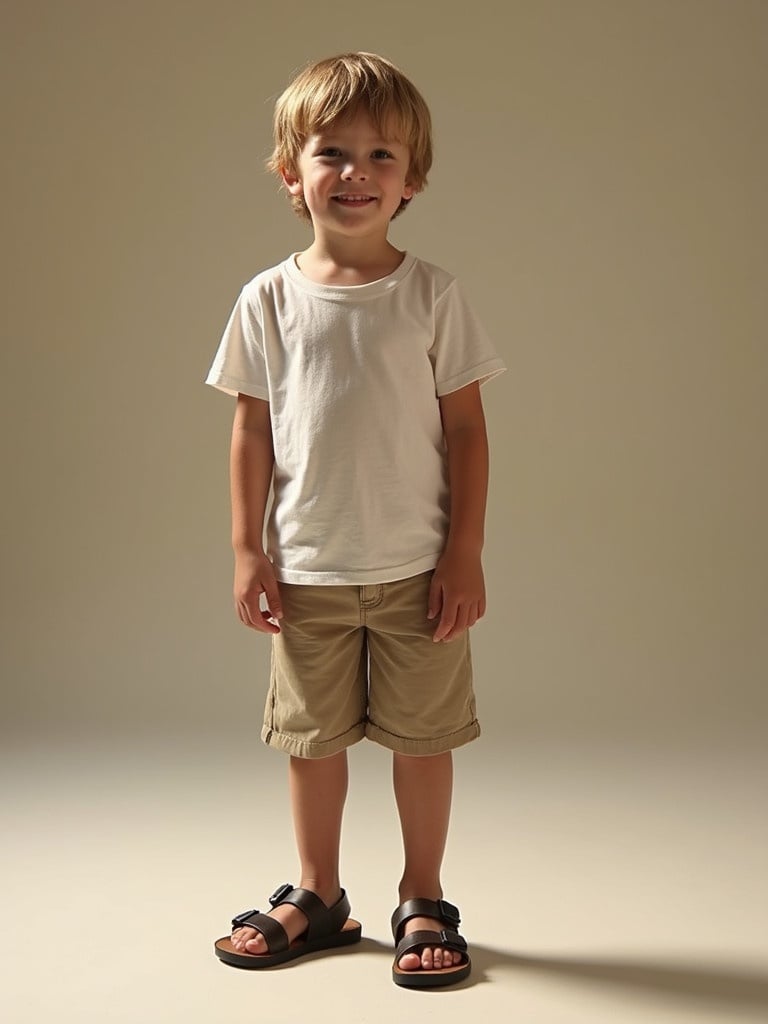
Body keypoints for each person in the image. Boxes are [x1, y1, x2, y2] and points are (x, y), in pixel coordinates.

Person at [205, 51, 505, 989]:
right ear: (291, 173)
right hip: (308, 570)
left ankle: (423, 893)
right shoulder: (269, 298)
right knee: (313, 739)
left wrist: (464, 552)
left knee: (423, 739)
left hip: (418, 568)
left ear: (411, 179)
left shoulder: (432, 295)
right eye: (331, 152)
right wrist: (248, 549)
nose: (356, 173)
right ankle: (321, 894)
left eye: (382, 155)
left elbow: (467, 431)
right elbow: (251, 427)